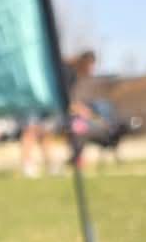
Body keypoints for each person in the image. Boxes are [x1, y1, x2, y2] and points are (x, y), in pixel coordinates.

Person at [19, 47, 98, 178]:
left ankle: (50, 165)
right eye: (91, 66)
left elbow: (67, 97)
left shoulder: (74, 75)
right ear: (84, 62)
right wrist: (79, 109)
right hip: (36, 98)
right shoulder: (67, 71)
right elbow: (62, 96)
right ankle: (27, 165)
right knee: (30, 131)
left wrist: (78, 107)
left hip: (48, 103)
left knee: (45, 133)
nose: (92, 70)